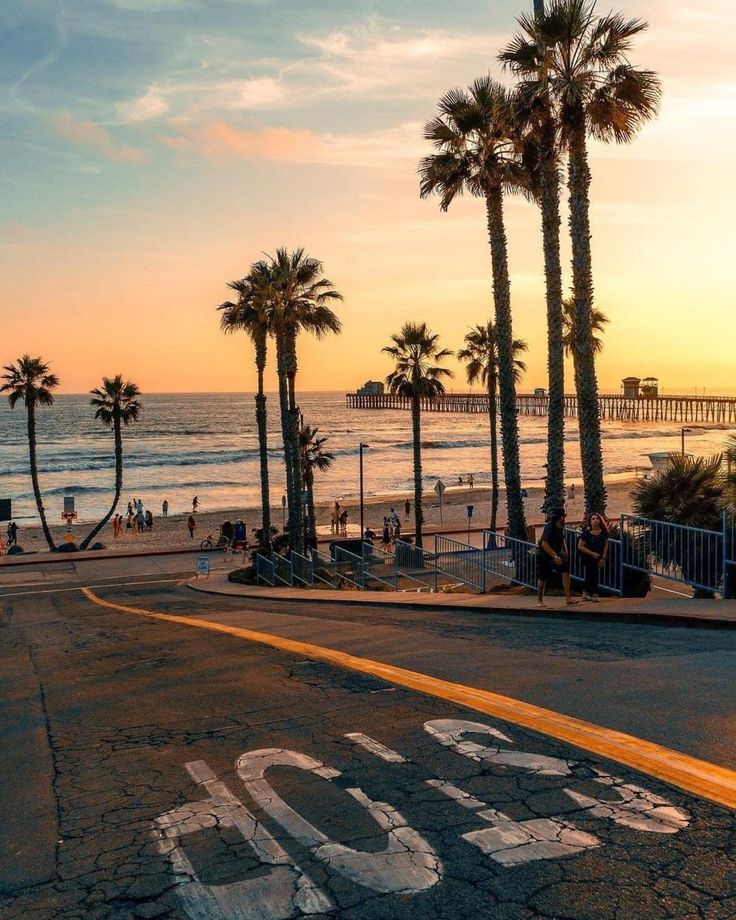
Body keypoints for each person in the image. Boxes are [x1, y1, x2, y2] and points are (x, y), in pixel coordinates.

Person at [536, 508, 577, 608]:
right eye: (564, 515)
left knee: (565, 571)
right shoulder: (550, 526)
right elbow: (544, 543)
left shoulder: (561, 525)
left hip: (558, 554)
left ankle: (568, 598)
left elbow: (561, 537)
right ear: (561, 517)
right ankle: (539, 601)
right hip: (545, 556)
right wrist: (554, 556)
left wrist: (565, 548)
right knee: (543, 578)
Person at [578, 513, 609, 602]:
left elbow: (606, 545)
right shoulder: (586, 533)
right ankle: (588, 593)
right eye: (593, 519)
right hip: (588, 556)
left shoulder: (604, 532)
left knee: (595, 575)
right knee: (589, 574)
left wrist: (603, 558)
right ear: (590, 522)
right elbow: (580, 546)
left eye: (597, 518)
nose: (595, 520)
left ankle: (591, 594)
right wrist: (591, 553)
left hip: (599, 556)